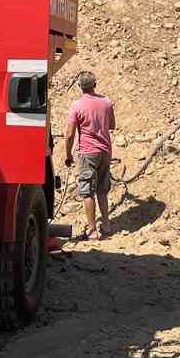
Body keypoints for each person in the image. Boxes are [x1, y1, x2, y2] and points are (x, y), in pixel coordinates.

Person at [63, 70, 115, 240]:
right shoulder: (107, 102)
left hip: (87, 152)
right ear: (95, 84)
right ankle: (106, 225)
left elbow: (69, 134)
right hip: (105, 151)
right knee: (102, 190)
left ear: (79, 87)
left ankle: (92, 230)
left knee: (87, 192)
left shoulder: (77, 106)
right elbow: (112, 125)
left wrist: (68, 155)